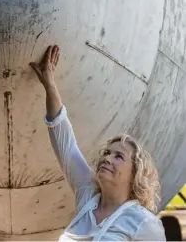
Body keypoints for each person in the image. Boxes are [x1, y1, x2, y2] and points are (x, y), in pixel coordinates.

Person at [30, 45, 166, 241]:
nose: (107, 158)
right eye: (107, 153)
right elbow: (65, 144)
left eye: (118, 156)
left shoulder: (143, 224)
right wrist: (50, 85)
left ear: (134, 174)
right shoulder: (87, 195)